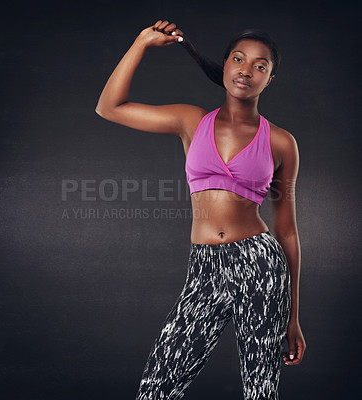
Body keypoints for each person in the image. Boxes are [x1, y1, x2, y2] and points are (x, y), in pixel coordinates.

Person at [95, 19, 306, 400]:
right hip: (205, 266)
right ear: (224, 65)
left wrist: (292, 317)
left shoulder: (280, 142)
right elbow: (109, 107)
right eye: (239, 59)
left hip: (259, 265)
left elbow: (287, 229)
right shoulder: (190, 121)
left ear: (270, 79)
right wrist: (141, 42)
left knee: (261, 388)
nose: (246, 70)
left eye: (260, 66)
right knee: (157, 387)